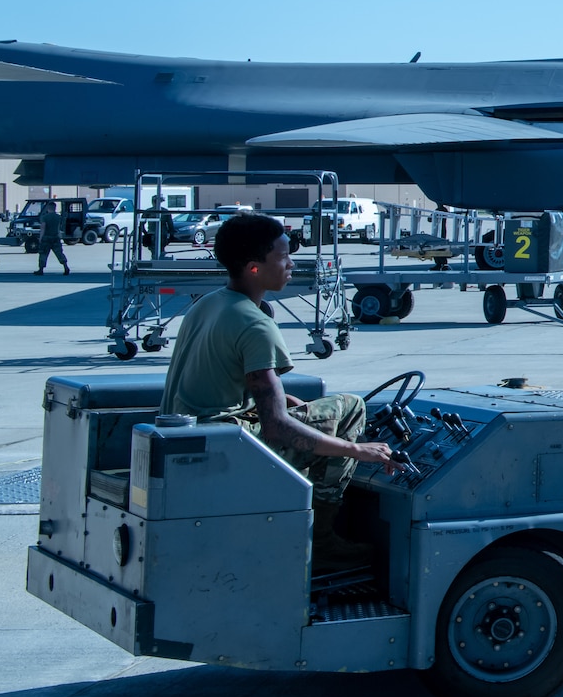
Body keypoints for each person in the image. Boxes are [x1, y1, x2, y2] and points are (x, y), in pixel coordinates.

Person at [161, 212, 391, 569]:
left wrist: (287, 402)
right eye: (283, 257)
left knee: (315, 411)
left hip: (196, 440)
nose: (291, 264)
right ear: (254, 268)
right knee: (351, 408)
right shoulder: (255, 325)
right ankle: (322, 542)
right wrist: (357, 449)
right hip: (227, 450)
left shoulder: (209, 304)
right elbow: (276, 428)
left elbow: (233, 380)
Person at [35, 200, 70, 276]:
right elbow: (59, 228)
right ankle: (66, 267)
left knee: (43, 254)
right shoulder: (58, 217)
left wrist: (40, 238)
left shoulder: (44, 217)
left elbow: (43, 228)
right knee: (59, 253)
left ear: (48, 208)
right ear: (55, 208)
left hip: (46, 238)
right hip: (56, 238)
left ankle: (41, 269)